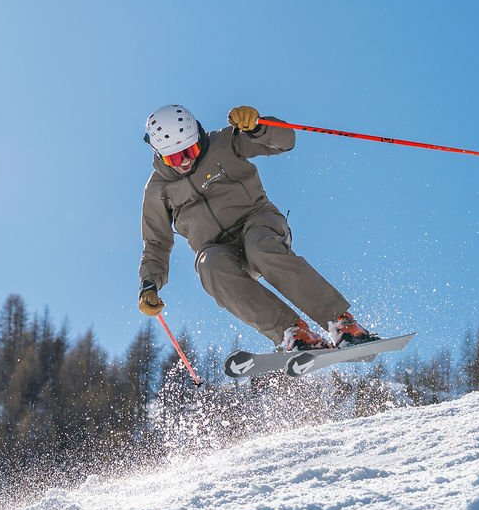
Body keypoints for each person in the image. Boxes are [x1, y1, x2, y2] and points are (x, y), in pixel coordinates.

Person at [137, 104, 378, 352]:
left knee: (260, 248)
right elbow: (157, 242)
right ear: (158, 153)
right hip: (218, 249)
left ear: (198, 135)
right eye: (174, 158)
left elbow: (286, 140)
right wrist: (149, 284)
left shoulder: (224, 142)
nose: (185, 161)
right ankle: (292, 332)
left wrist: (258, 127)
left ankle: (340, 321)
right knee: (208, 265)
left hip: (257, 221)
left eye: (191, 149)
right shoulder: (157, 190)